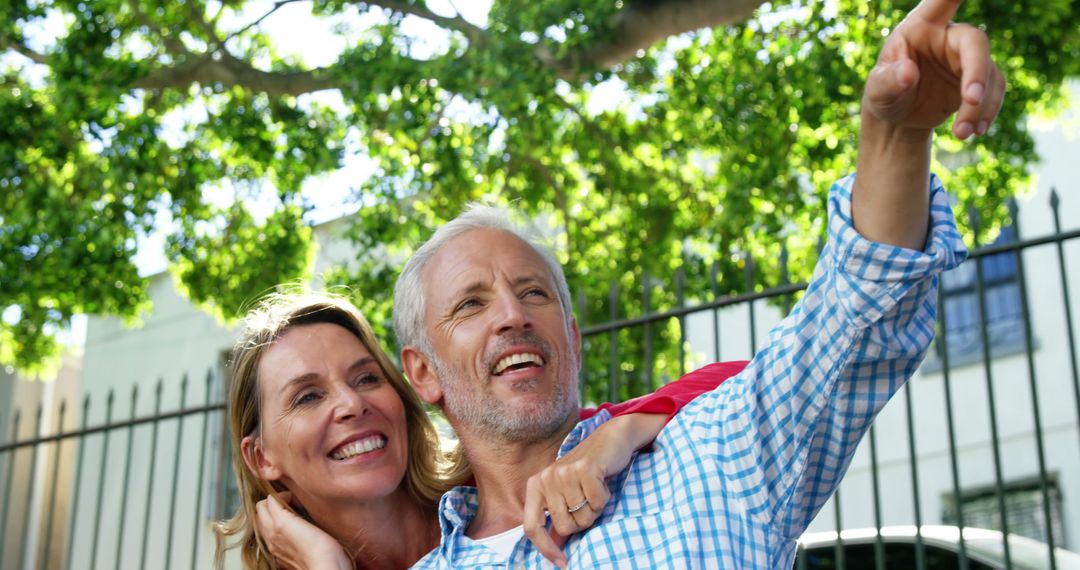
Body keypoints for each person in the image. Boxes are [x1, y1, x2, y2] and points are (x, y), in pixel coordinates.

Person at [386, 0, 1005, 567]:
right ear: (422, 372)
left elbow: (854, 322)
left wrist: (897, 136)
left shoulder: (713, 455)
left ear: (572, 339)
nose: (512, 316)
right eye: (471, 303)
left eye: (534, 292)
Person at [213, 292, 740, 569]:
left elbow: (740, 382)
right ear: (261, 458)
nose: (351, 404)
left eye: (366, 378)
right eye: (308, 396)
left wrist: (619, 433)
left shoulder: (500, 479)